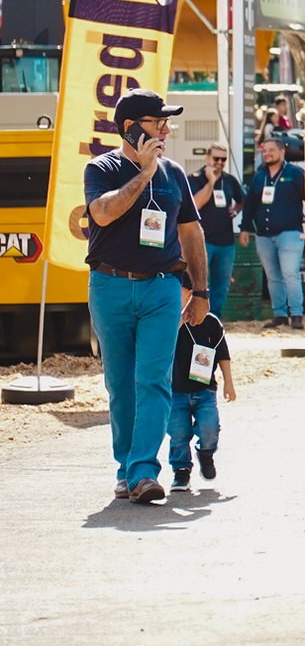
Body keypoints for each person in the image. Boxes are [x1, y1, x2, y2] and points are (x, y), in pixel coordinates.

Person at [84, 88, 209, 504]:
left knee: (152, 379)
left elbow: (192, 233)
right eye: (159, 123)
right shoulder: (100, 168)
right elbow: (102, 213)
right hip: (110, 286)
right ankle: (126, 467)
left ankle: (142, 471)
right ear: (131, 128)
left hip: (161, 287)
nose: (166, 129)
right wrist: (144, 171)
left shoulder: (175, 174)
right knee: (121, 384)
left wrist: (201, 292)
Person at [167, 295, 235, 491]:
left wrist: (228, 383)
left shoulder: (211, 322)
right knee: (178, 433)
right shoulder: (166, 322)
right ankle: (180, 470)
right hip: (175, 390)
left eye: (185, 293)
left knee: (209, 427)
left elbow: (223, 353)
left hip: (204, 389)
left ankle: (206, 453)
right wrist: (176, 324)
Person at [240, 136, 305, 328]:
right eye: (264, 151)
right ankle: (279, 314)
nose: (267, 154)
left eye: (271, 150)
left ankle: (296, 314)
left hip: (290, 233)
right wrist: (244, 228)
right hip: (263, 234)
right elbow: (250, 204)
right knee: (272, 276)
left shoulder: (295, 173)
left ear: (282, 152)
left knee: (289, 273)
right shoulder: (259, 176)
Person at [188, 142, 244, 320]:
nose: (219, 162)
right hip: (202, 241)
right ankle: (195, 317)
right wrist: (211, 182)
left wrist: (236, 210)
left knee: (221, 284)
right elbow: (196, 204)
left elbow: (243, 200)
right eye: (216, 158)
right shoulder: (194, 178)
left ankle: (214, 317)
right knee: (198, 282)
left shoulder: (229, 180)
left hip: (225, 242)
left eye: (223, 159)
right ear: (207, 158)